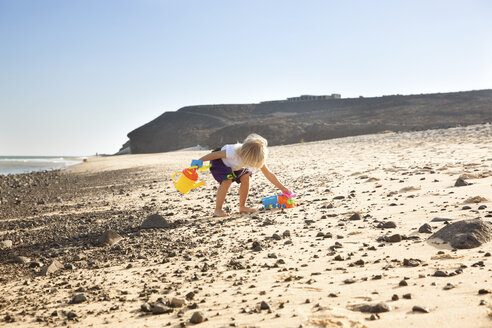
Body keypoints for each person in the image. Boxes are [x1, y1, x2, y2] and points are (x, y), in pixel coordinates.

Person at [191, 134, 290, 217]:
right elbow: (214, 155)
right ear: (247, 156)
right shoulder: (233, 152)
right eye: (253, 161)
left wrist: (283, 188)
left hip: (236, 166)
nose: (254, 163)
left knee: (246, 177)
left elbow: (268, 173)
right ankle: (218, 210)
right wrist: (199, 161)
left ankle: (242, 206)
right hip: (221, 163)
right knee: (227, 181)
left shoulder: (256, 156)